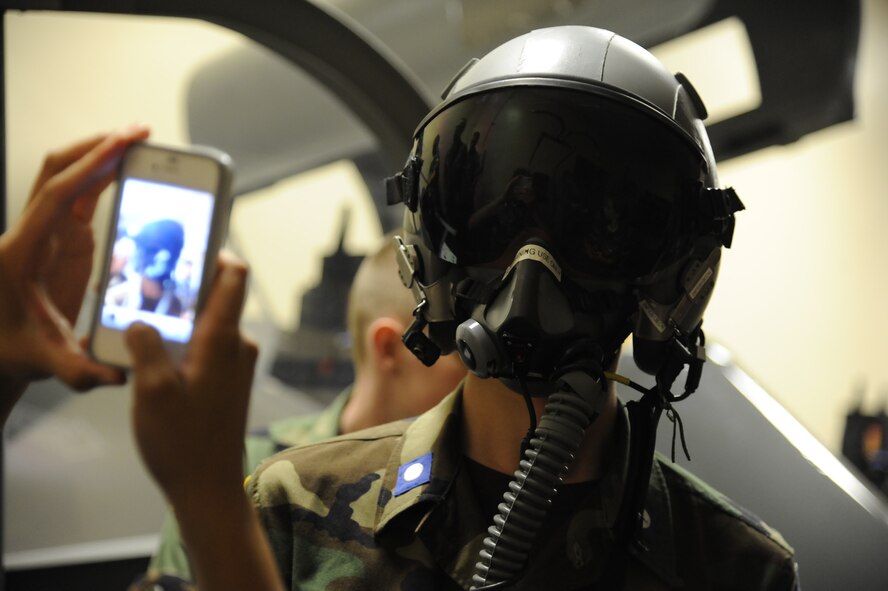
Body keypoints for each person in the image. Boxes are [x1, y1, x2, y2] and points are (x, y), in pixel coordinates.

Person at [245, 25, 800, 590]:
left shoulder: (741, 570)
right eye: (501, 225)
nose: (533, 268)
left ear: (678, 277)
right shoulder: (294, 510)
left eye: (587, 233)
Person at [0, 128, 285, 591]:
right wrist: (210, 494)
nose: (155, 260)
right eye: (148, 250)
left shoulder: (184, 305)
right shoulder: (119, 295)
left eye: (165, 253)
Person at [144, 233, 467, 584]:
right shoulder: (241, 468)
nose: (478, 380)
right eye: (462, 355)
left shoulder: (474, 484)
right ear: (390, 348)